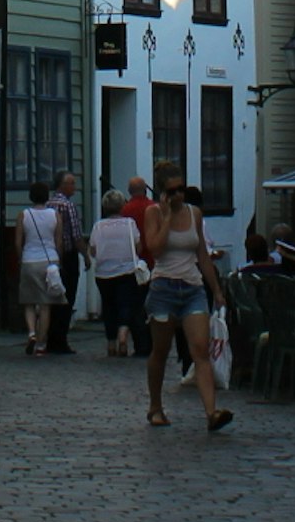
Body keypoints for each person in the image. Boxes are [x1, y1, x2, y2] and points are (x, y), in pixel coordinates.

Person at [138, 167, 233, 433]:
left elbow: (202, 254)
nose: (179, 195)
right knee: (160, 350)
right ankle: (155, 407)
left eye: (182, 189)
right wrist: (167, 216)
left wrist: (215, 289)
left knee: (200, 350)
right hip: (163, 287)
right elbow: (154, 248)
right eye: (172, 191)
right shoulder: (153, 213)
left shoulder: (195, 214)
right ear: (162, 192)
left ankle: (211, 412)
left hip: (192, 287)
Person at [89, 198, 150, 360]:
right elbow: (138, 246)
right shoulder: (129, 223)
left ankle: (111, 342)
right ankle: (123, 335)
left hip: (103, 273)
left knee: (109, 307)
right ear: (121, 206)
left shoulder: (98, 226)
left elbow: (93, 250)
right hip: (126, 271)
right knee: (126, 304)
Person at [14, 178, 69, 356]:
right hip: (49, 261)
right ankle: (41, 345)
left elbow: (17, 242)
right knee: (46, 305)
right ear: (47, 197)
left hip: (29, 260)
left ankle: (31, 332)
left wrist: (20, 258)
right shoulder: (55, 215)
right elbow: (58, 241)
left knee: (29, 302)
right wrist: (58, 261)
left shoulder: (24, 215)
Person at [49, 170, 85, 353]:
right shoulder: (68, 206)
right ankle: (60, 340)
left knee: (52, 298)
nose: (75, 187)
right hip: (68, 255)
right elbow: (76, 235)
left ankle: (49, 337)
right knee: (67, 296)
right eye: (72, 183)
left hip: (50, 256)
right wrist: (85, 255)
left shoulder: (48, 204)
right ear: (62, 186)